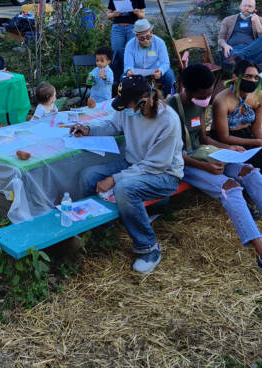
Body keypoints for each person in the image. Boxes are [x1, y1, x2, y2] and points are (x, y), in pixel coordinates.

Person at [168, 65, 262, 283]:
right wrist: (204, 166)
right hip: (184, 163)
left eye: (208, 94)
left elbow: (203, 138)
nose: (206, 100)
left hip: (205, 154)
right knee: (229, 188)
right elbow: (170, 153)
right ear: (188, 90)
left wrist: (226, 150)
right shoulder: (169, 110)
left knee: (250, 172)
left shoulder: (199, 104)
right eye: (203, 96)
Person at [75, 76, 183, 273]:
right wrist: (89, 129)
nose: (123, 108)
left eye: (127, 104)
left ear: (144, 99)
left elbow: (156, 164)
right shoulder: (126, 109)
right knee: (88, 176)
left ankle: (149, 247)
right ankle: (102, 231)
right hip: (133, 163)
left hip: (164, 173)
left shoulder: (168, 120)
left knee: (124, 189)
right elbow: (114, 126)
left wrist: (115, 178)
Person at [211, 59, 262, 184]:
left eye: (256, 78)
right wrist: (259, 142)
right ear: (235, 77)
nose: (252, 81)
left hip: (247, 136)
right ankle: (247, 191)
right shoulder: (221, 100)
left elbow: (256, 129)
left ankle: (255, 192)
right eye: (248, 76)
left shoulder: (259, 96)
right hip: (226, 140)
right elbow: (223, 137)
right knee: (257, 164)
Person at [107, 0, 145, 85]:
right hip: (118, 28)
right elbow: (108, 15)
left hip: (132, 28)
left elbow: (142, 16)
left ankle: (131, 77)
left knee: (131, 52)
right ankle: (117, 79)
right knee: (117, 52)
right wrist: (114, 14)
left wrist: (137, 12)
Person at [123, 19, 175, 96]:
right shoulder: (130, 45)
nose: (146, 40)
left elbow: (165, 63)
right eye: (142, 38)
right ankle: (131, 100)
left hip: (155, 71)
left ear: (151, 33)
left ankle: (168, 96)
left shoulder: (160, 42)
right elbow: (128, 64)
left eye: (148, 37)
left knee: (169, 75)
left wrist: (160, 71)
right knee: (123, 78)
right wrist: (129, 71)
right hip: (137, 73)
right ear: (136, 36)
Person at [217, 0, 262, 67]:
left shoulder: (260, 20)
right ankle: (239, 57)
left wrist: (257, 22)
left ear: (254, 9)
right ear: (240, 7)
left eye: (250, 6)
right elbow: (220, 38)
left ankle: (239, 57)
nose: (247, 8)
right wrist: (225, 45)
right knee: (234, 54)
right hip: (233, 49)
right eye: (244, 5)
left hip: (252, 51)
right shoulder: (228, 20)